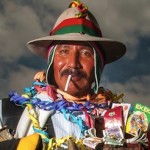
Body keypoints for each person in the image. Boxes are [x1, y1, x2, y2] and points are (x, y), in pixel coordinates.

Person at [0, 0, 149, 149]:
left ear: (98, 66)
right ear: (51, 61)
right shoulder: (8, 113)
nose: (73, 63)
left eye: (86, 53)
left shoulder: (128, 122)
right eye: (64, 51)